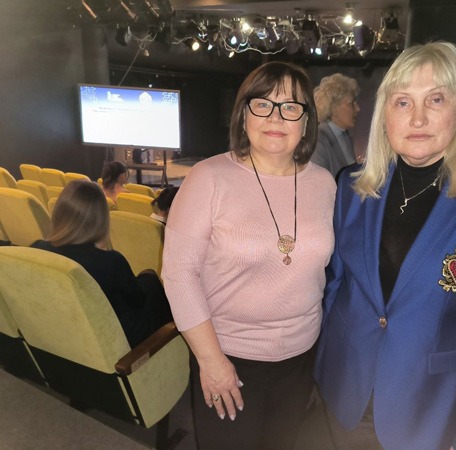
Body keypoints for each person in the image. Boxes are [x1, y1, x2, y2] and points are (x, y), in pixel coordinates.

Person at [314, 42, 456, 450]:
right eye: (402, 102)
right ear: (385, 115)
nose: (417, 118)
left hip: (429, 410)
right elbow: (334, 289)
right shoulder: (352, 186)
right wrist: (320, 367)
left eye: (435, 99)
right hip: (345, 393)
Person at [162, 61, 336, 450]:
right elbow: (178, 274)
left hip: (301, 356)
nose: (276, 117)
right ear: (244, 115)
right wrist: (211, 361)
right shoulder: (208, 178)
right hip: (228, 356)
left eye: (290, 106)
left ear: (306, 121)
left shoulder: (324, 183)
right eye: (263, 104)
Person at [31, 180, 173, 348]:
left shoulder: (37, 249)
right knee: (150, 280)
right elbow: (138, 301)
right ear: (101, 220)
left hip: (69, 330)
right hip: (120, 342)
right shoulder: (111, 261)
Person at [311, 73, 361, 178]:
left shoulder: (345, 135)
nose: (357, 109)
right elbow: (318, 181)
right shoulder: (317, 141)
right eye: (351, 104)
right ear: (334, 108)